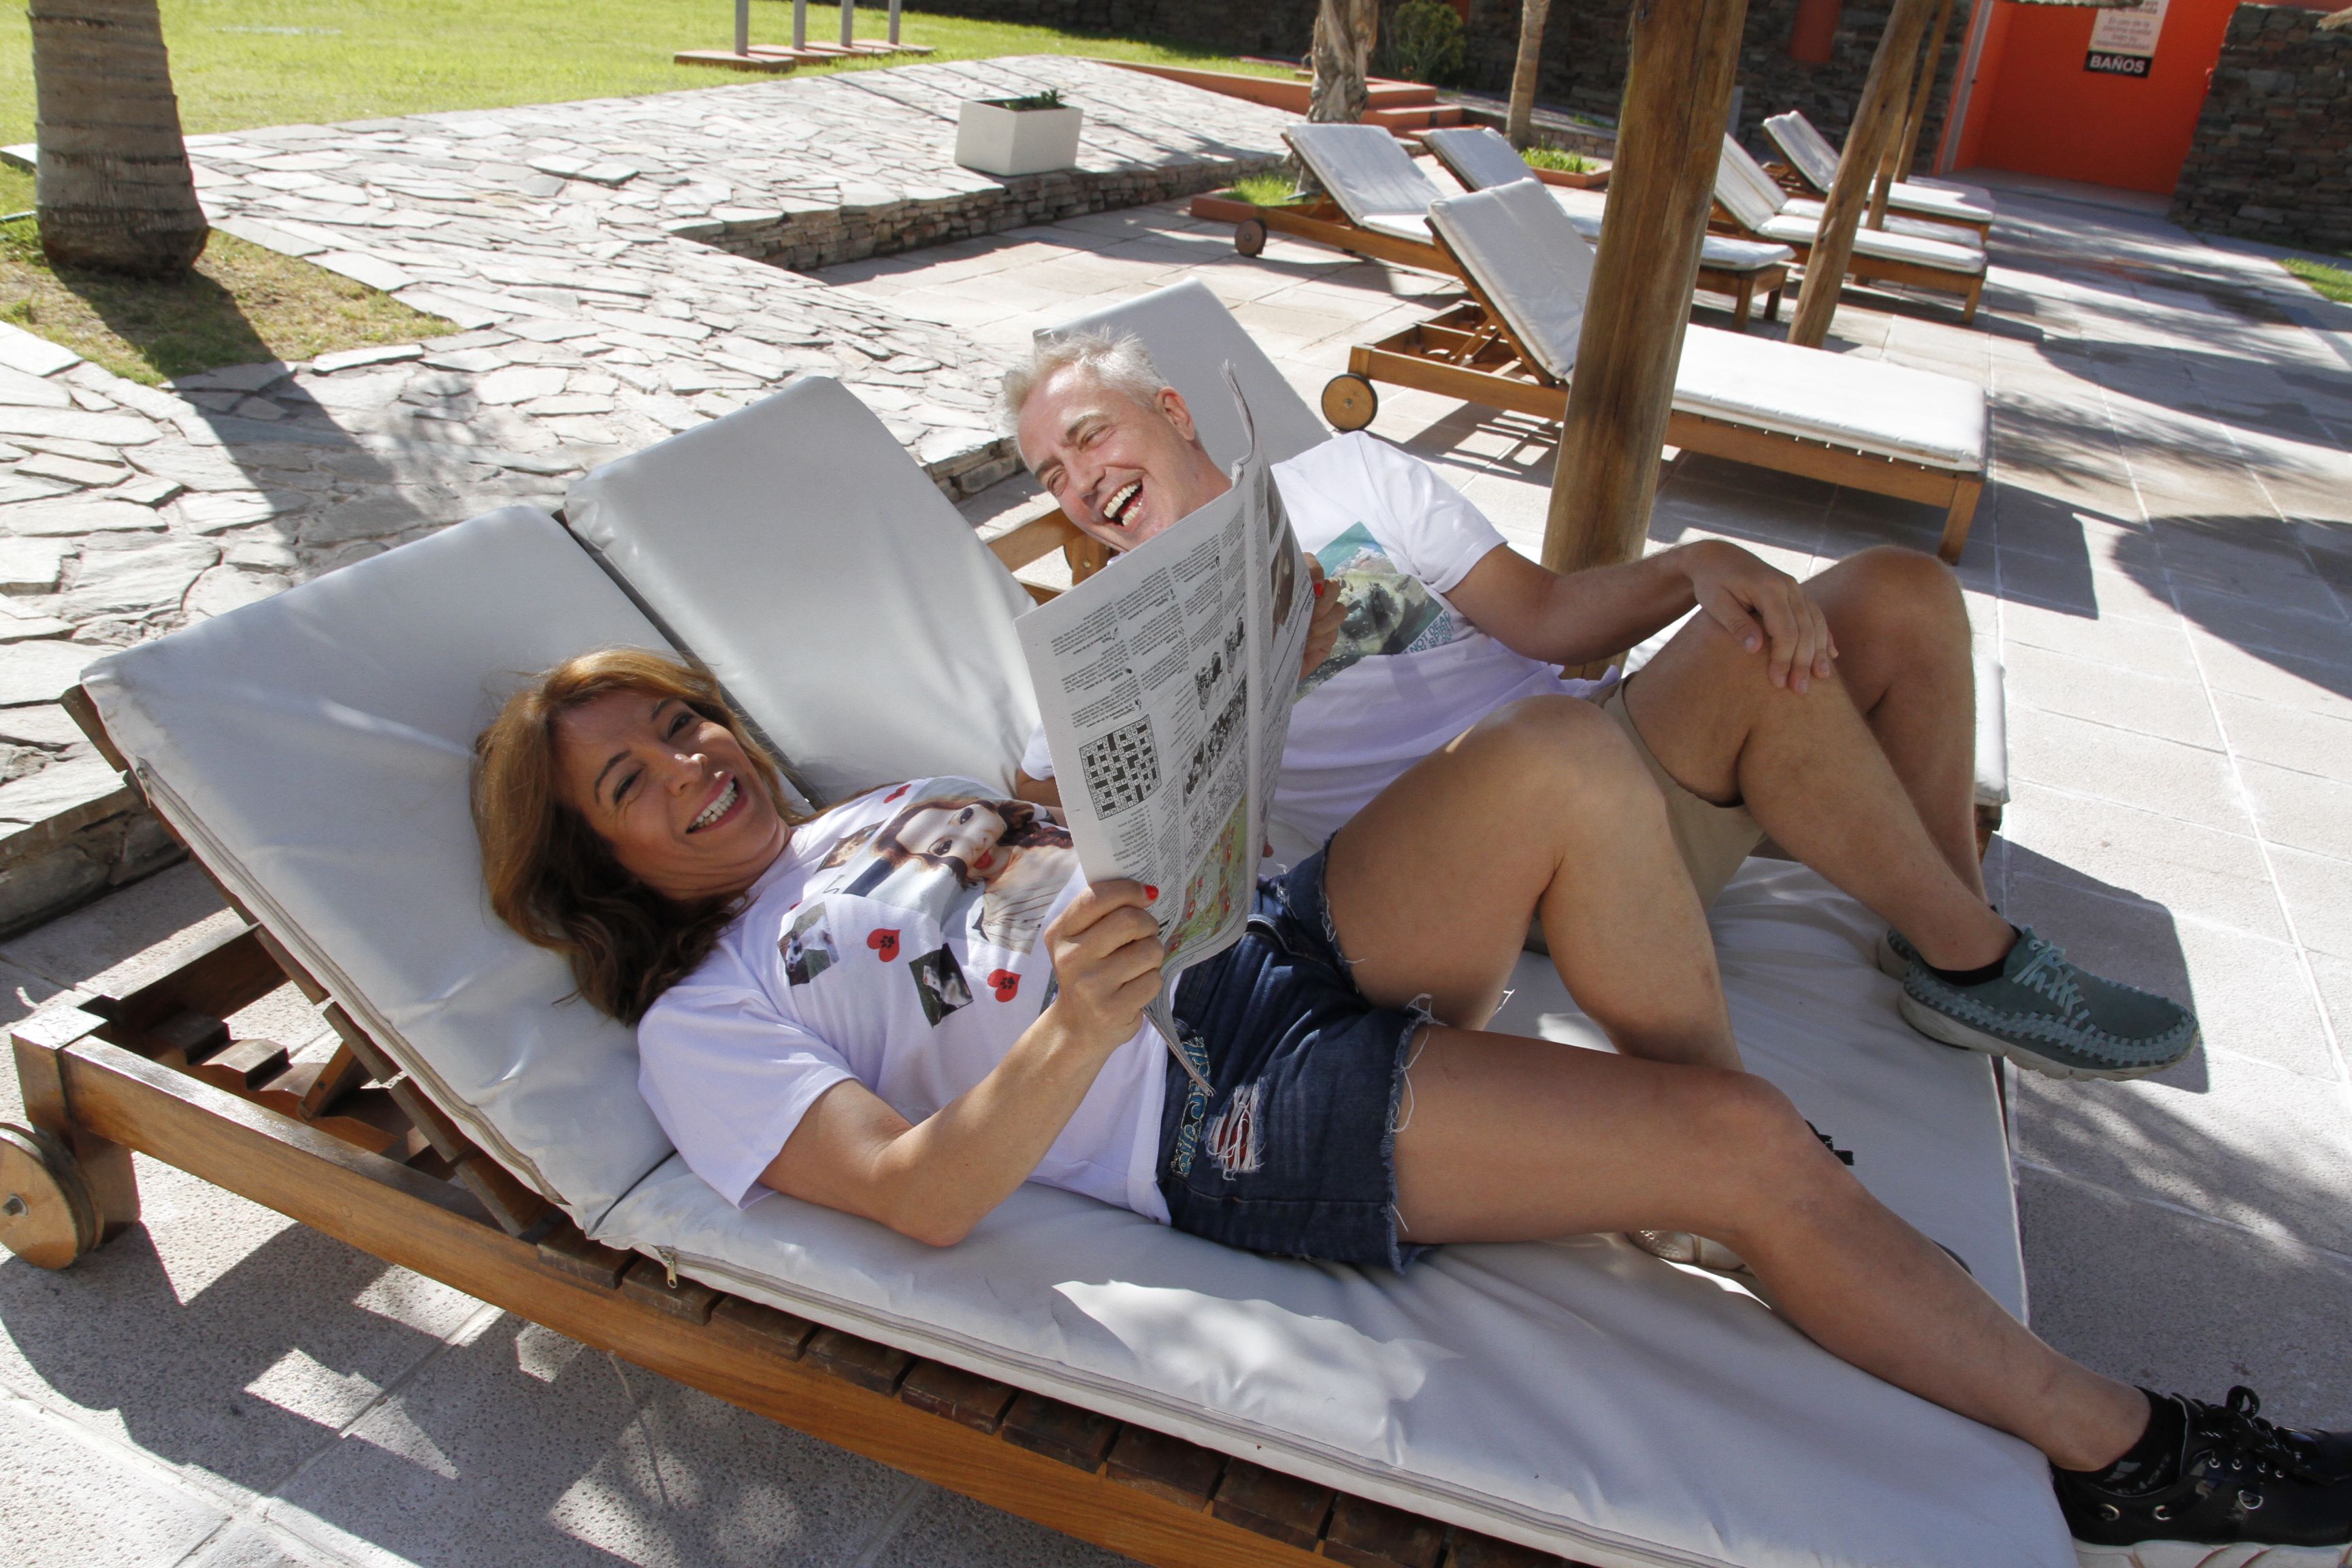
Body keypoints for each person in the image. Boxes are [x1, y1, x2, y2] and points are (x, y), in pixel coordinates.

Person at [472, 649, 2352, 1562]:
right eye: (630, 783)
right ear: (602, 864)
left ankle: (1746, 1190)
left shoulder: (878, 801)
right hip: (1211, 1099)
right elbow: (910, 1194)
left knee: (1553, 749)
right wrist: (1066, 1035)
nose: (688, 766)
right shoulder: (706, 1017)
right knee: (1748, 1145)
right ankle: (2127, 1452)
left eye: (679, 724)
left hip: (1263, 928)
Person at [1004, 331, 2198, 1084]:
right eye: (1052, 474)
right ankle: (1983, 963)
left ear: (1175, 412)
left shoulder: (1349, 479)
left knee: (1901, 592)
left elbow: (1549, 618)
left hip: (1603, 751)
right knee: (1588, 725)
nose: (1080, 480)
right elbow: (1045, 787)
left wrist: (1695, 565)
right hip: (1457, 866)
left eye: (1090, 436)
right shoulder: (1113, 637)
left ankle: (1947, 937)